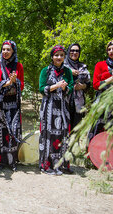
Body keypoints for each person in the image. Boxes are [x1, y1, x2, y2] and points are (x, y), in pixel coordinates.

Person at [39, 45, 74, 175]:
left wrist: (65, 88)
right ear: (52, 57)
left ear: (64, 57)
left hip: (63, 108)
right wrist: (56, 86)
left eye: (61, 55)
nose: (59, 57)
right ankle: (47, 165)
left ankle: (62, 164)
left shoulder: (68, 72)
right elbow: (42, 89)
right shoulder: (45, 71)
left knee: (63, 134)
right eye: (56, 55)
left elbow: (71, 87)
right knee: (48, 135)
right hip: (49, 107)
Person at [0, 40, 24, 171]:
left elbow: (23, 85)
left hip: (13, 104)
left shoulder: (18, 66)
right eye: (3, 49)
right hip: (0, 104)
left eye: (8, 49)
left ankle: (12, 160)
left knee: (13, 131)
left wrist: (16, 82)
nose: (5, 52)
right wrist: (8, 82)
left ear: (13, 51)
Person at [64, 43, 91, 130]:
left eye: (77, 51)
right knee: (64, 129)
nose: (74, 52)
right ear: (68, 52)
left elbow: (89, 83)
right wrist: (69, 72)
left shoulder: (82, 66)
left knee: (76, 129)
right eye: (72, 50)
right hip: (63, 102)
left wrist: (83, 86)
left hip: (78, 103)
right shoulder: (62, 65)